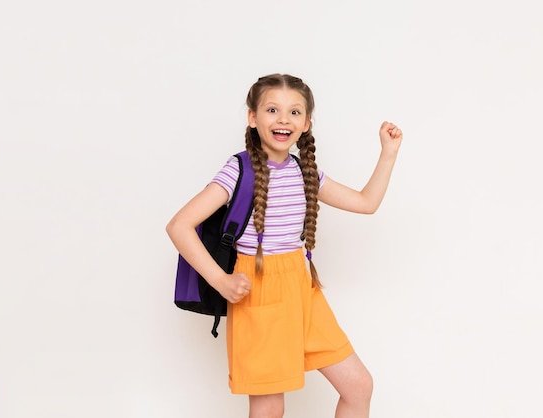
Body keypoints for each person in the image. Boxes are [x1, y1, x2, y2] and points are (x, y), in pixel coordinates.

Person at [166, 73, 402, 418]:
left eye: (294, 112)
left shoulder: (305, 172)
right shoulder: (238, 170)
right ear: (253, 118)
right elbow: (179, 225)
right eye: (272, 109)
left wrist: (388, 153)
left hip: (301, 288)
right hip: (258, 290)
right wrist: (222, 281)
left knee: (358, 386)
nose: (283, 119)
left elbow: (366, 203)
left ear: (306, 124)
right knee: (269, 408)